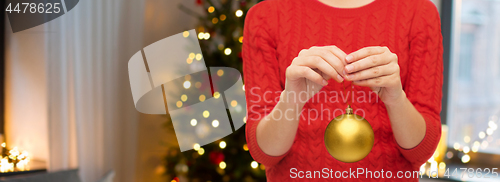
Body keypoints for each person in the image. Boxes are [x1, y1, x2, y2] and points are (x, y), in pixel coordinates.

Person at [242, 0, 443, 181]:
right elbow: (265, 153)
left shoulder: (419, 13)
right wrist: (292, 99)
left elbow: (421, 152)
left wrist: (396, 99)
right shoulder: (265, 16)